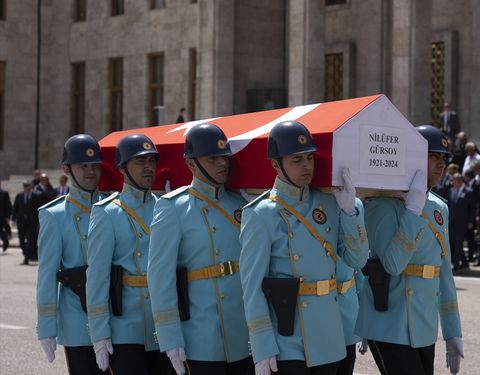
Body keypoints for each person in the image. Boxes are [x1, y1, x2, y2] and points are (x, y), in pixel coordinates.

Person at [239, 120, 369, 375]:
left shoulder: (330, 203)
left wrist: (350, 212)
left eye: (309, 158)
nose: (307, 166)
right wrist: (262, 345)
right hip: (288, 337)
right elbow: (252, 287)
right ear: (276, 164)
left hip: (332, 333)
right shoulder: (261, 214)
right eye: (297, 160)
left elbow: (357, 259)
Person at [357, 125, 463, 375]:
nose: (441, 164)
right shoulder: (381, 204)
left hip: (423, 325)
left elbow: (443, 274)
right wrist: (413, 210)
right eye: (434, 156)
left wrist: (452, 330)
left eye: (444, 158)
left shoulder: (439, 208)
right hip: (389, 324)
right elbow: (393, 265)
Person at [147, 124, 252, 375]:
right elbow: (160, 278)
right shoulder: (172, 207)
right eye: (212, 158)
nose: (222, 163)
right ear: (191, 164)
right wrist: (169, 337)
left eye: (224, 156)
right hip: (200, 333)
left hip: (243, 332)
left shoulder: (241, 203)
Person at [86, 134, 174, 374]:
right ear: (122, 169)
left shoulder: (166, 207)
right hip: (124, 328)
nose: (148, 168)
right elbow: (96, 279)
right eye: (140, 162)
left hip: (164, 326)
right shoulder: (106, 213)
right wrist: (100, 333)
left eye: (151, 161)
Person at [36, 134, 106, 374]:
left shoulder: (114, 206)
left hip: (114, 315)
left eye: (95, 165)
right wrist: (47, 327)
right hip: (78, 318)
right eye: (83, 166)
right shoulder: (55, 215)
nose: (90, 172)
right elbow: (47, 276)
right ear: (66, 169)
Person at [447, 173, 474, 270]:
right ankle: (465, 262)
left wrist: (471, 221)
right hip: (452, 221)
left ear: (459, 181)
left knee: (458, 243)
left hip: (462, 222)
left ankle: (455, 264)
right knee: (453, 242)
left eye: (454, 181)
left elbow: (472, 208)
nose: (452, 183)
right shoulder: (451, 191)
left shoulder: (468, 192)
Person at [12, 181, 43, 264]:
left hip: (32, 222)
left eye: (27, 186)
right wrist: (13, 219)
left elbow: (39, 209)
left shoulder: (36, 196)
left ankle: (26, 258)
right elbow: (16, 208)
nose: (26, 187)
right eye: (24, 186)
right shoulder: (19, 196)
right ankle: (27, 254)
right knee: (21, 240)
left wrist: (40, 222)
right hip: (21, 222)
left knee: (30, 240)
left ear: (31, 186)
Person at [0, 181, 12, 252]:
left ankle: (5, 241)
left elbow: (8, 205)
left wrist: (8, 216)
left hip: (2, 216)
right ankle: (5, 241)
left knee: (0, 231)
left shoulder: (4, 193)